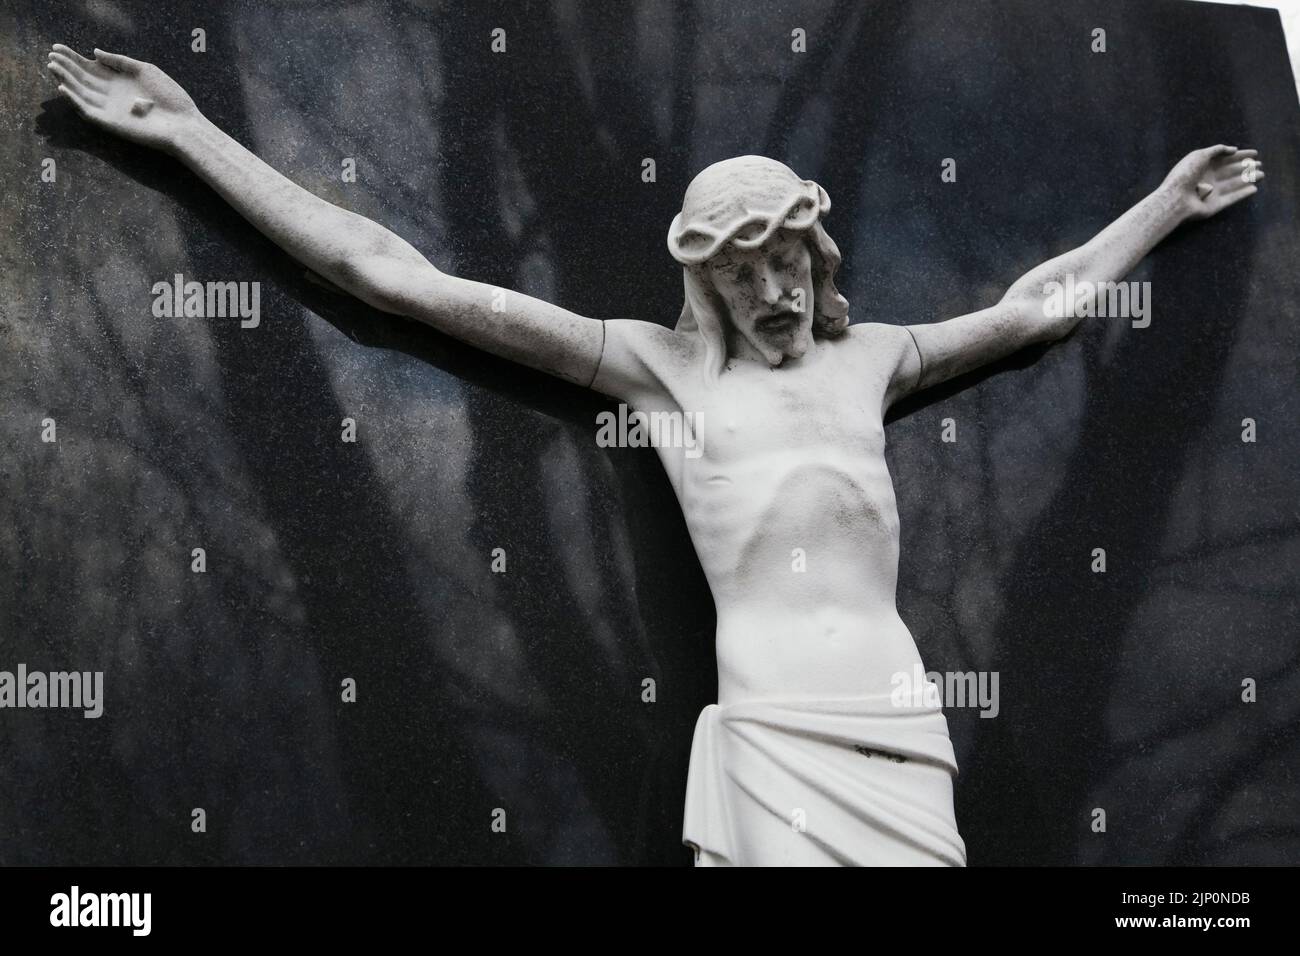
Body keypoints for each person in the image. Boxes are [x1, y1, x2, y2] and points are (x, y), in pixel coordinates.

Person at [46, 43, 1265, 866]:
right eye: (743, 272)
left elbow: (1034, 307)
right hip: (771, 730)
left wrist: (1163, 205)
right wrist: (194, 136)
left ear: (815, 257)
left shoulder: (876, 359)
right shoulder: (659, 371)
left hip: (900, 735)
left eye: (789, 259)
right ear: (709, 285)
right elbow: (393, 278)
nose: (775, 287)